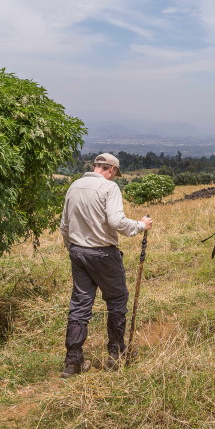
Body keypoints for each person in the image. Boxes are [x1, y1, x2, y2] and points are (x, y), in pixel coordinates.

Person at [59, 153, 153, 378]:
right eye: (115, 173)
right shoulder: (109, 188)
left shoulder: (74, 186)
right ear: (110, 169)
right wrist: (141, 225)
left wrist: (72, 248)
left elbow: (64, 225)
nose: (114, 177)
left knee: (80, 304)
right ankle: (116, 354)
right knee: (117, 299)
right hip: (103, 253)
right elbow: (116, 221)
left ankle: (72, 362)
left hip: (78, 252)